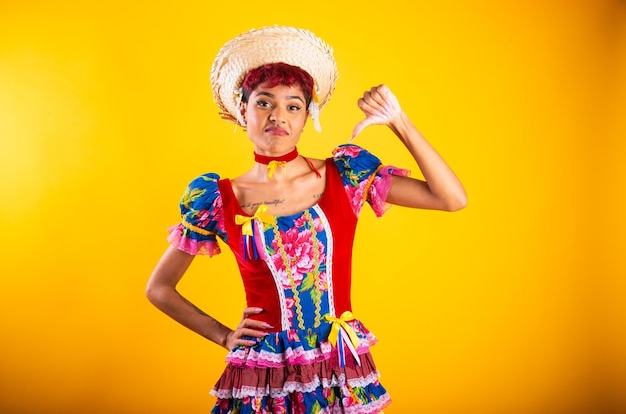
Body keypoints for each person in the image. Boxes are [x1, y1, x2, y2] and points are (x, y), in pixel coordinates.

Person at [146, 25, 466, 414]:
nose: (278, 116)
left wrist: (398, 121)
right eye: (264, 103)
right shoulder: (217, 198)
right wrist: (224, 335)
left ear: (305, 118)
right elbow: (159, 288)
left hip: (339, 369)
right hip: (262, 374)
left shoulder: (344, 175)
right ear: (242, 110)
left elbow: (451, 198)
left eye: (293, 106)